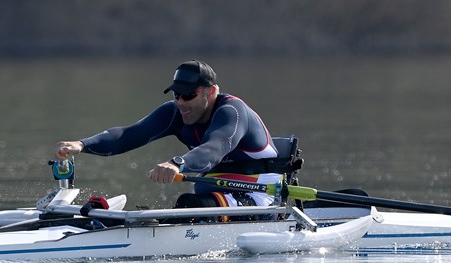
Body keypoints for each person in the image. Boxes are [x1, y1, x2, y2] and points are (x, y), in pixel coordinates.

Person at [56, 60, 285, 209]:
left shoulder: (232, 112)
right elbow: (130, 134)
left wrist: (177, 163)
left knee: (189, 204)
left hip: (260, 196)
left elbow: (214, 148)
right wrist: (82, 144)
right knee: (190, 205)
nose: (180, 102)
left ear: (211, 92)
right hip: (214, 197)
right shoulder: (175, 112)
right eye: (176, 95)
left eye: (188, 96)